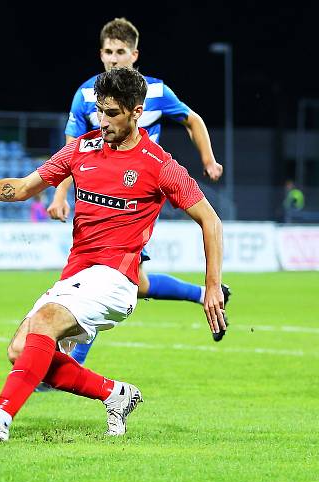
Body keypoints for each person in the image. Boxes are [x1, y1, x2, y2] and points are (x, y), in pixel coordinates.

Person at [0, 67, 226, 441]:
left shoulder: (159, 165)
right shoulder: (81, 148)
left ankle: (0, 416)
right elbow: (26, 187)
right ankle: (116, 394)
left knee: (44, 322)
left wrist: (212, 287)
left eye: (112, 114)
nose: (102, 121)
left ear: (136, 113)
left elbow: (211, 221)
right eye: (99, 111)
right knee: (19, 351)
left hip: (117, 278)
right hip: (78, 272)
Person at [48, 18, 230, 360]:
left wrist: (208, 159)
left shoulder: (156, 92)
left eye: (121, 52)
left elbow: (193, 119)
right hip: (96, 198)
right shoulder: (88, 95)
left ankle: (70, 361)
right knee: (136, 283)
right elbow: (70, 150)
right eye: (108, 52)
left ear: (134, 55)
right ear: (100, 54)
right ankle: (199, 294)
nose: (114, 59)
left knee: (102, 273)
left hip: (137, 198)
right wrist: (60, 194)